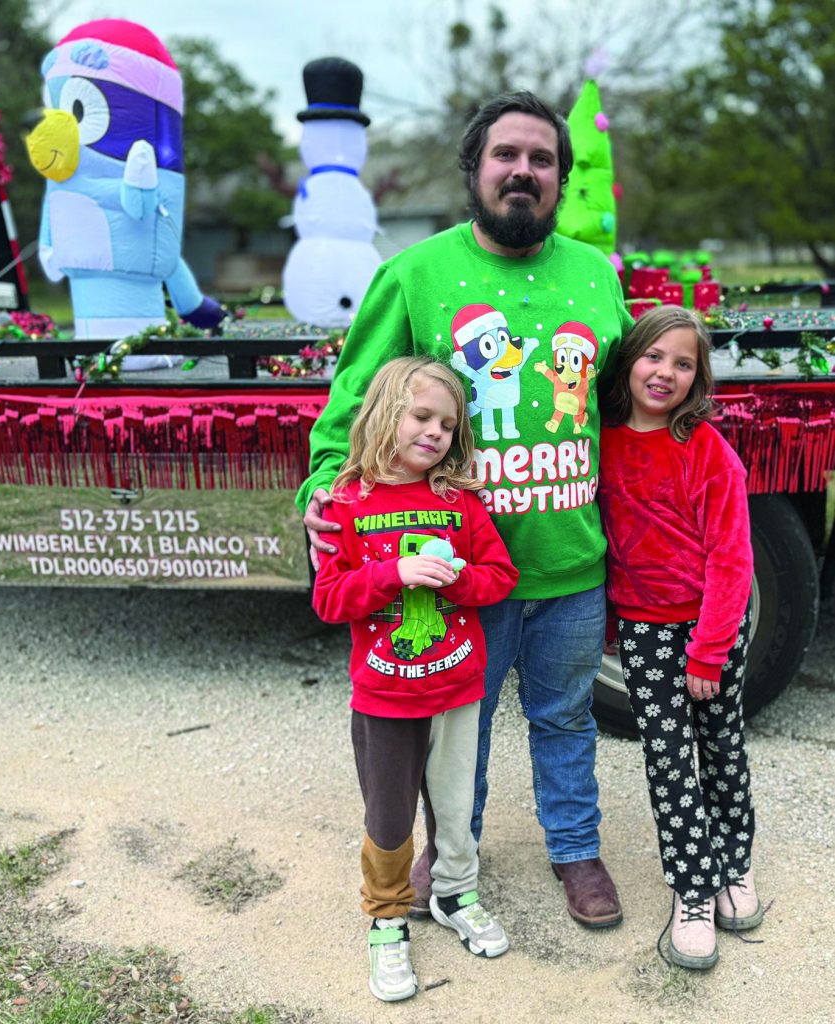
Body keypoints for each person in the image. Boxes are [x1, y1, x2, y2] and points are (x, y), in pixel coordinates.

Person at [298, 89, 633, 929]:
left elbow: (627, 412)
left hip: (568, 562)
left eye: (542, 159)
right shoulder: (413, 275)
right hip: (454, 573)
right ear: (475, 169)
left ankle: (575, 851)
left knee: (563, 718)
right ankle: (451, 863)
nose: (523, 170)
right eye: (506, 155)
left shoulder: (595, 276)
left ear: (558, 178)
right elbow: (353, 402)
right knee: (459, 733)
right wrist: (323, 492)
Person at [311, 356, 519, 1002]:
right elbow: (328, 599)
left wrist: (458, 578)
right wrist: (390, 576)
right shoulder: (345, 503)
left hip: (456, 690)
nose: (434, 433)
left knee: (455, 808)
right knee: (389, 815)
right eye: (421, 416)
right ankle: (387, 916)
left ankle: (455, 895)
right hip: (385, 697)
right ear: (383, 414)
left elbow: (500, 577)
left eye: (448, 425)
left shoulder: (457, 503)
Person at [598, 305, 762, 969]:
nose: (664, 372)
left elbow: (732, 558)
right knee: (668, 762)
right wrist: (610, 622)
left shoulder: (705, 451)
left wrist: (709, 649)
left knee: (719, 746)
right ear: (629, 359)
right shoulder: (603, 440)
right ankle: (691, 889)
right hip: (641, 628)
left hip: (708, 628)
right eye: (653, 356)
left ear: (697, 379)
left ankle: (733, 866)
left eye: (682, 363)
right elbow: (603, 538)